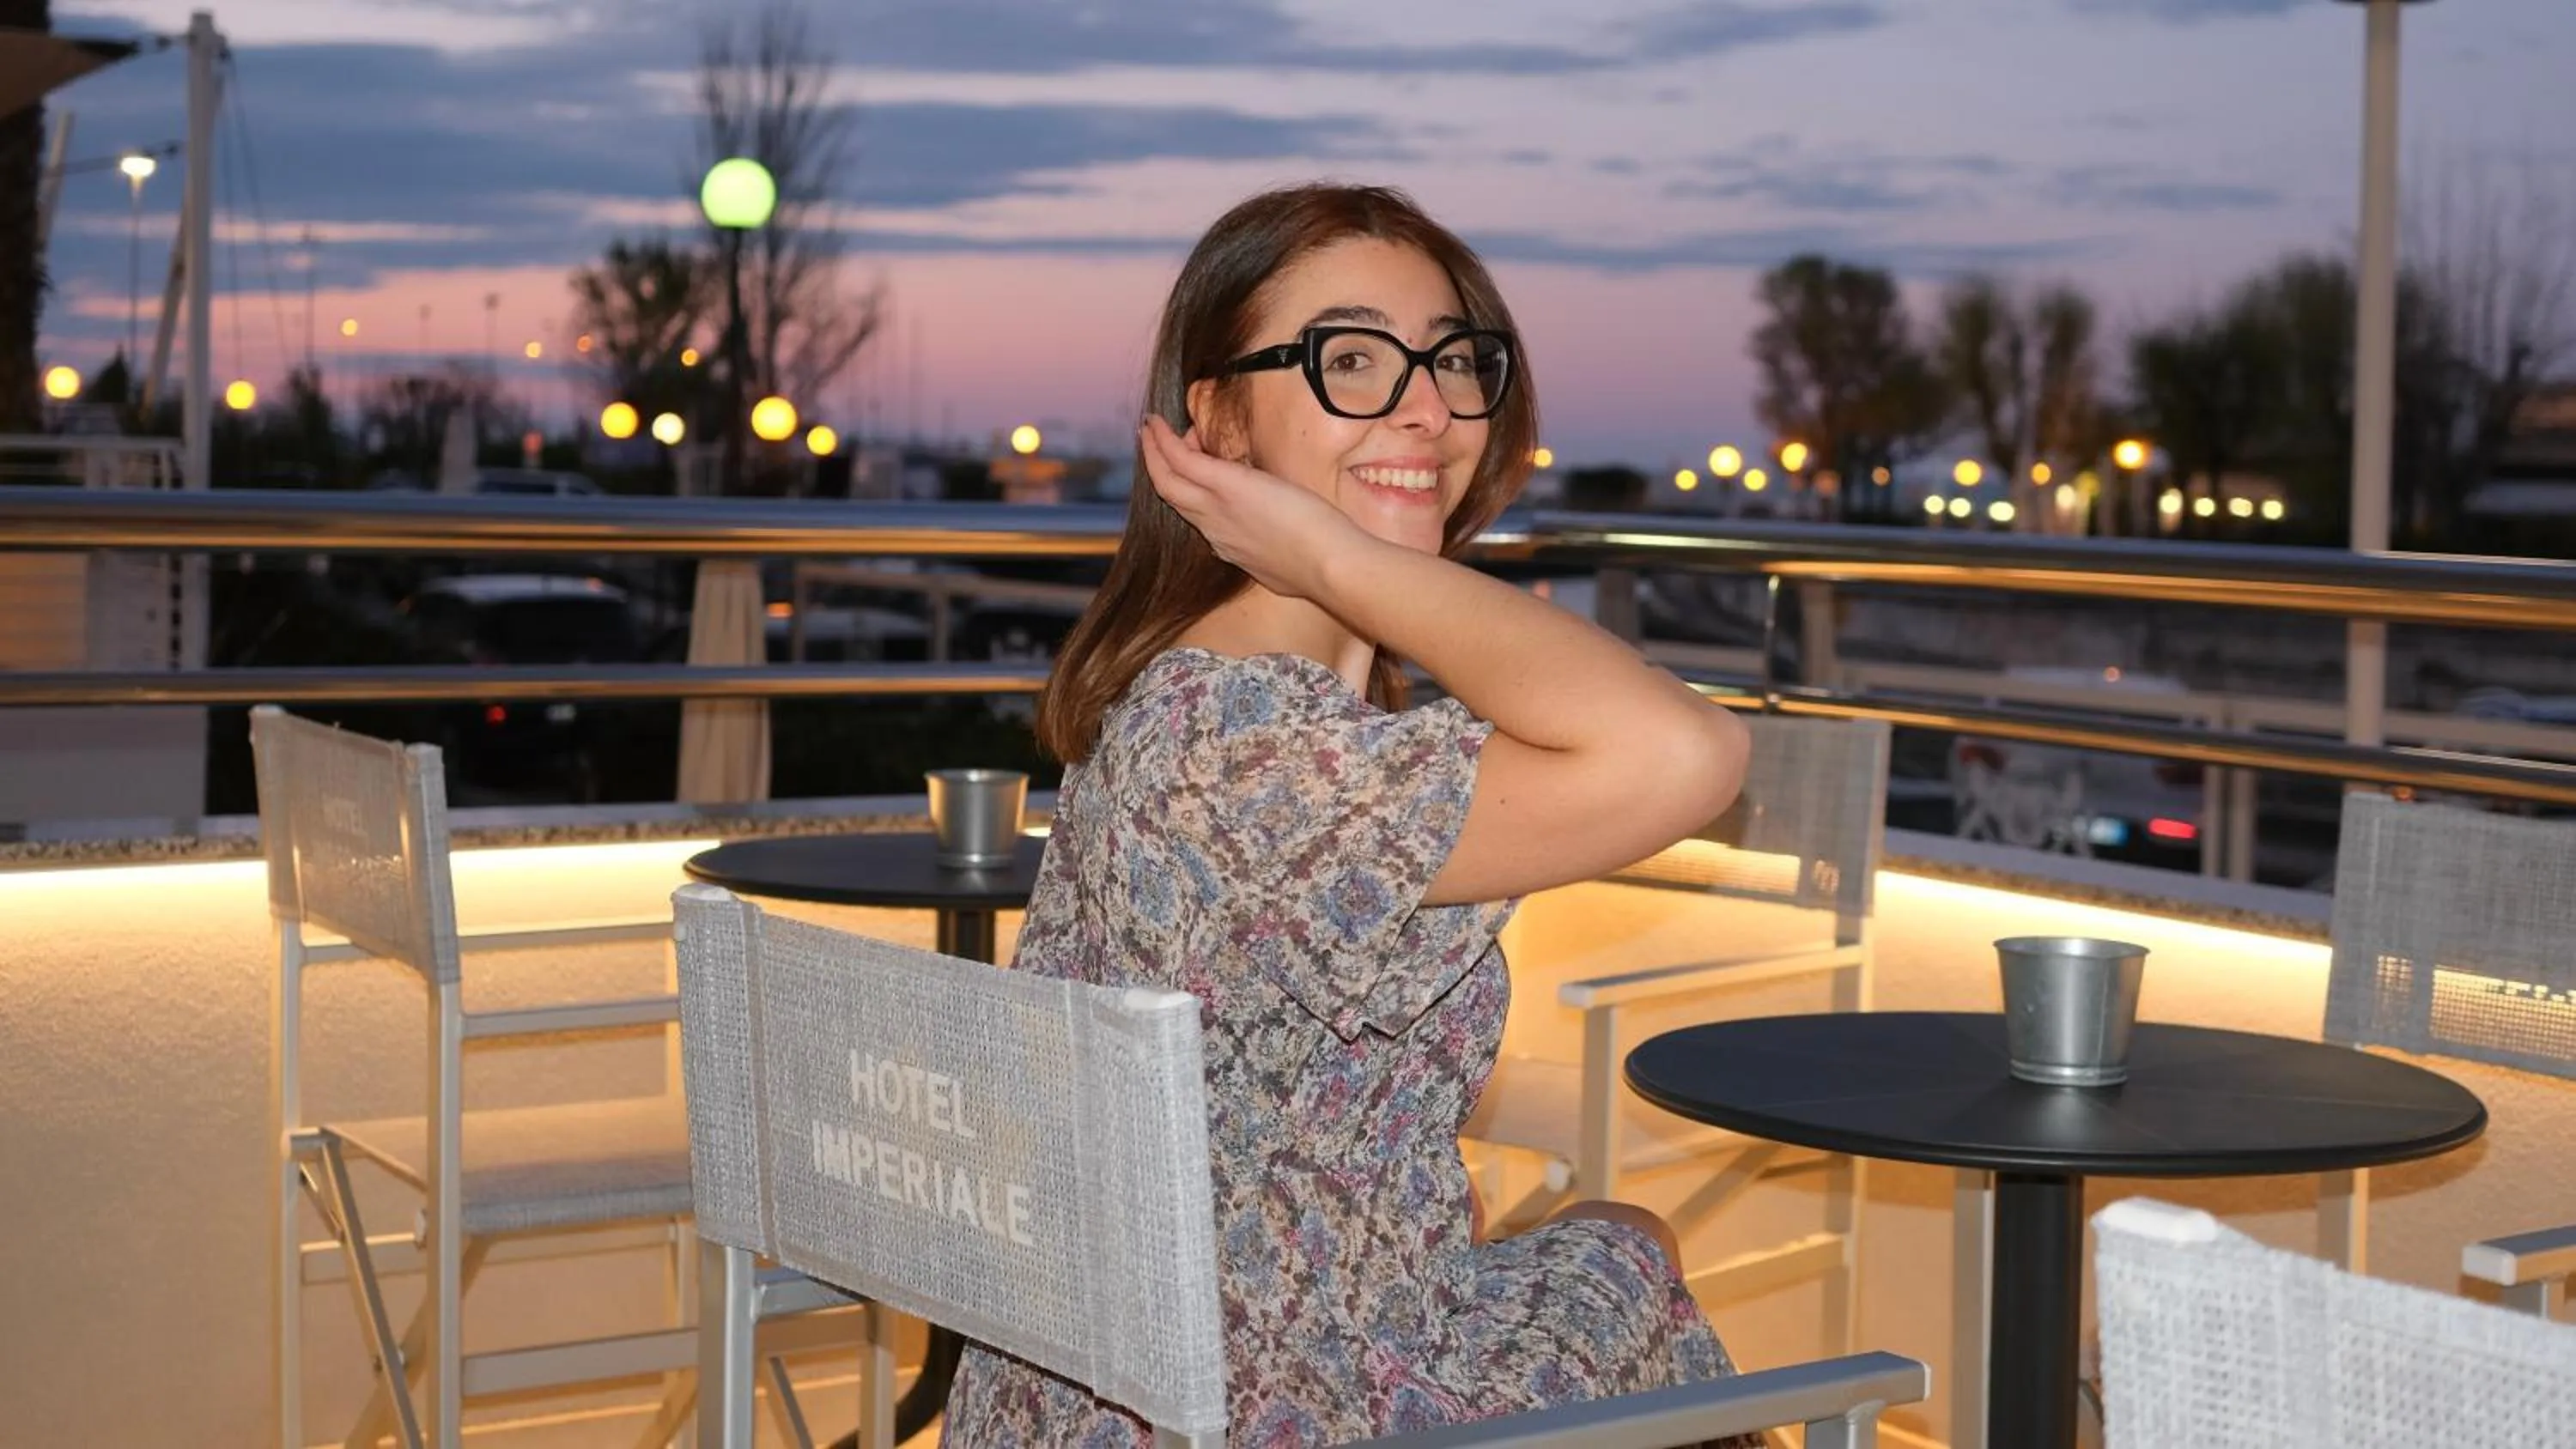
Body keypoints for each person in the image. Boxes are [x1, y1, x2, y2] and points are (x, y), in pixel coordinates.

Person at [941, 182, 1756, 1446]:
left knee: (1616, 1242)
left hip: (1144, 1374)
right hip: (1273, 1402)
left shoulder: (1218, 704)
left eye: (1451, 362)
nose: (1426, 409)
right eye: (1353, 360)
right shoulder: (1242, 745)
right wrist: (1336, 560)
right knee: (1636, 1261)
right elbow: (1686, 752)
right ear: (1216, 417)